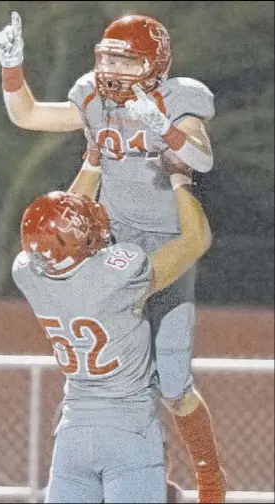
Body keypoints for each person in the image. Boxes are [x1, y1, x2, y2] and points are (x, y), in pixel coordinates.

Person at [0, 12, 226, 502]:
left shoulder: (180, 97)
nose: (114, 70)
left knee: (174, 380)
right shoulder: (94, 97)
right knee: (120, 375)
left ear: (155, 63)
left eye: (127, 59)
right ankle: (137, 476)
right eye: (108, 58)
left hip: (166, 244)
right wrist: (12, 69)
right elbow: (29, 115)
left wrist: (165, 127)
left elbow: (202, 158)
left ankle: (208, 476)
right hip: (111, 247)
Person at [11, 141, 211, 503]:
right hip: (127, 433)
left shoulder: (28, 273)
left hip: (73, 435)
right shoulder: (116, 276)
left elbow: (60, 229)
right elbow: (196, 239)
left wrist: (92, 163)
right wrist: (180, 179)